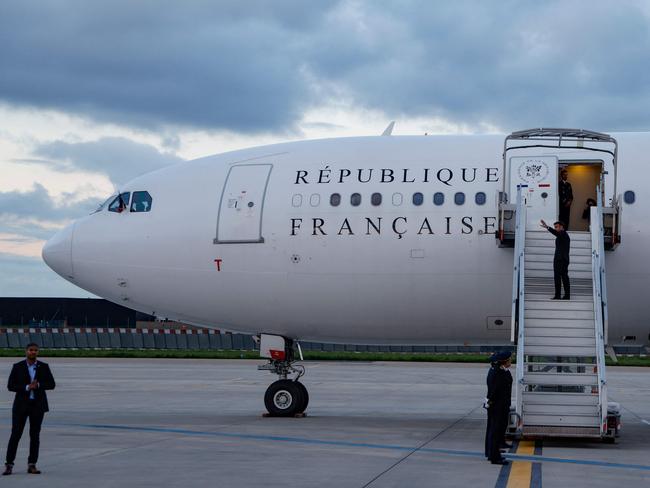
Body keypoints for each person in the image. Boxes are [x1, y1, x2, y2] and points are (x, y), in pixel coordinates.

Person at [3, 343, 55, 475]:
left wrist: (38, 385)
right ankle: (9, 464)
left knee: (35, 435)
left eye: (36, 350)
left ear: (38, 352)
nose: (33, 352)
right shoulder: (17, 367)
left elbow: (51, 384)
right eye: (31, 350)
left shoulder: (43, 367)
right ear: (26, 351)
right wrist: (27, 387)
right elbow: (10, 386)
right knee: (15, 435)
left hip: (37, 406)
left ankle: (32, 464)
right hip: (21, 406)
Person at [486, 350, 513, 465]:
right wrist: (491, 403)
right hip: (498, 406)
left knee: (496, 430)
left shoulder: (500, 371)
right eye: (509, 359)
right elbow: (494, 391)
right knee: (495, 431)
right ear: (504, 362)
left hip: (499, 405)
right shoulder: (498, 373)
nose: (510, 361)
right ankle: (494, 456)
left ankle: (493, 451)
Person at [540, 219, 571, 300]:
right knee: (563, 277)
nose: (556, 228)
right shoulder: (562, 235)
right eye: (555, 227)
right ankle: (566, 295)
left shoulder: (563, 233)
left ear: (561, 227)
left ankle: (559, 295)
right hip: (563, 259)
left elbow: (556, 233)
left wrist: (547, 227)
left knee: (559, 277)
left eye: (556, 227)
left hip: (560, 259)